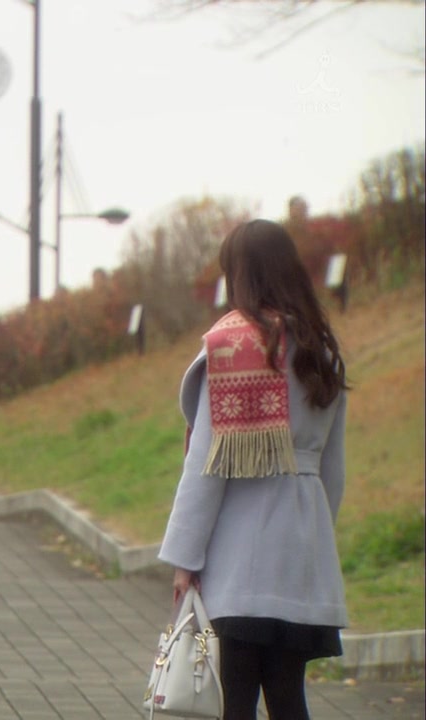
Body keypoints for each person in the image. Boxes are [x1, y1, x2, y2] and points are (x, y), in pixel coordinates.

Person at [158, 219, 348, 720]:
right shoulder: (321, 350)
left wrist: (185, 559)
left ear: (240, 274)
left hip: (239, 563)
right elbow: (333, 468)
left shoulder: (229, 348)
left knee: (233, 699)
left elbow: (205, 466)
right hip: (302, 554)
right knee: (288, 697)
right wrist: (315, 538)